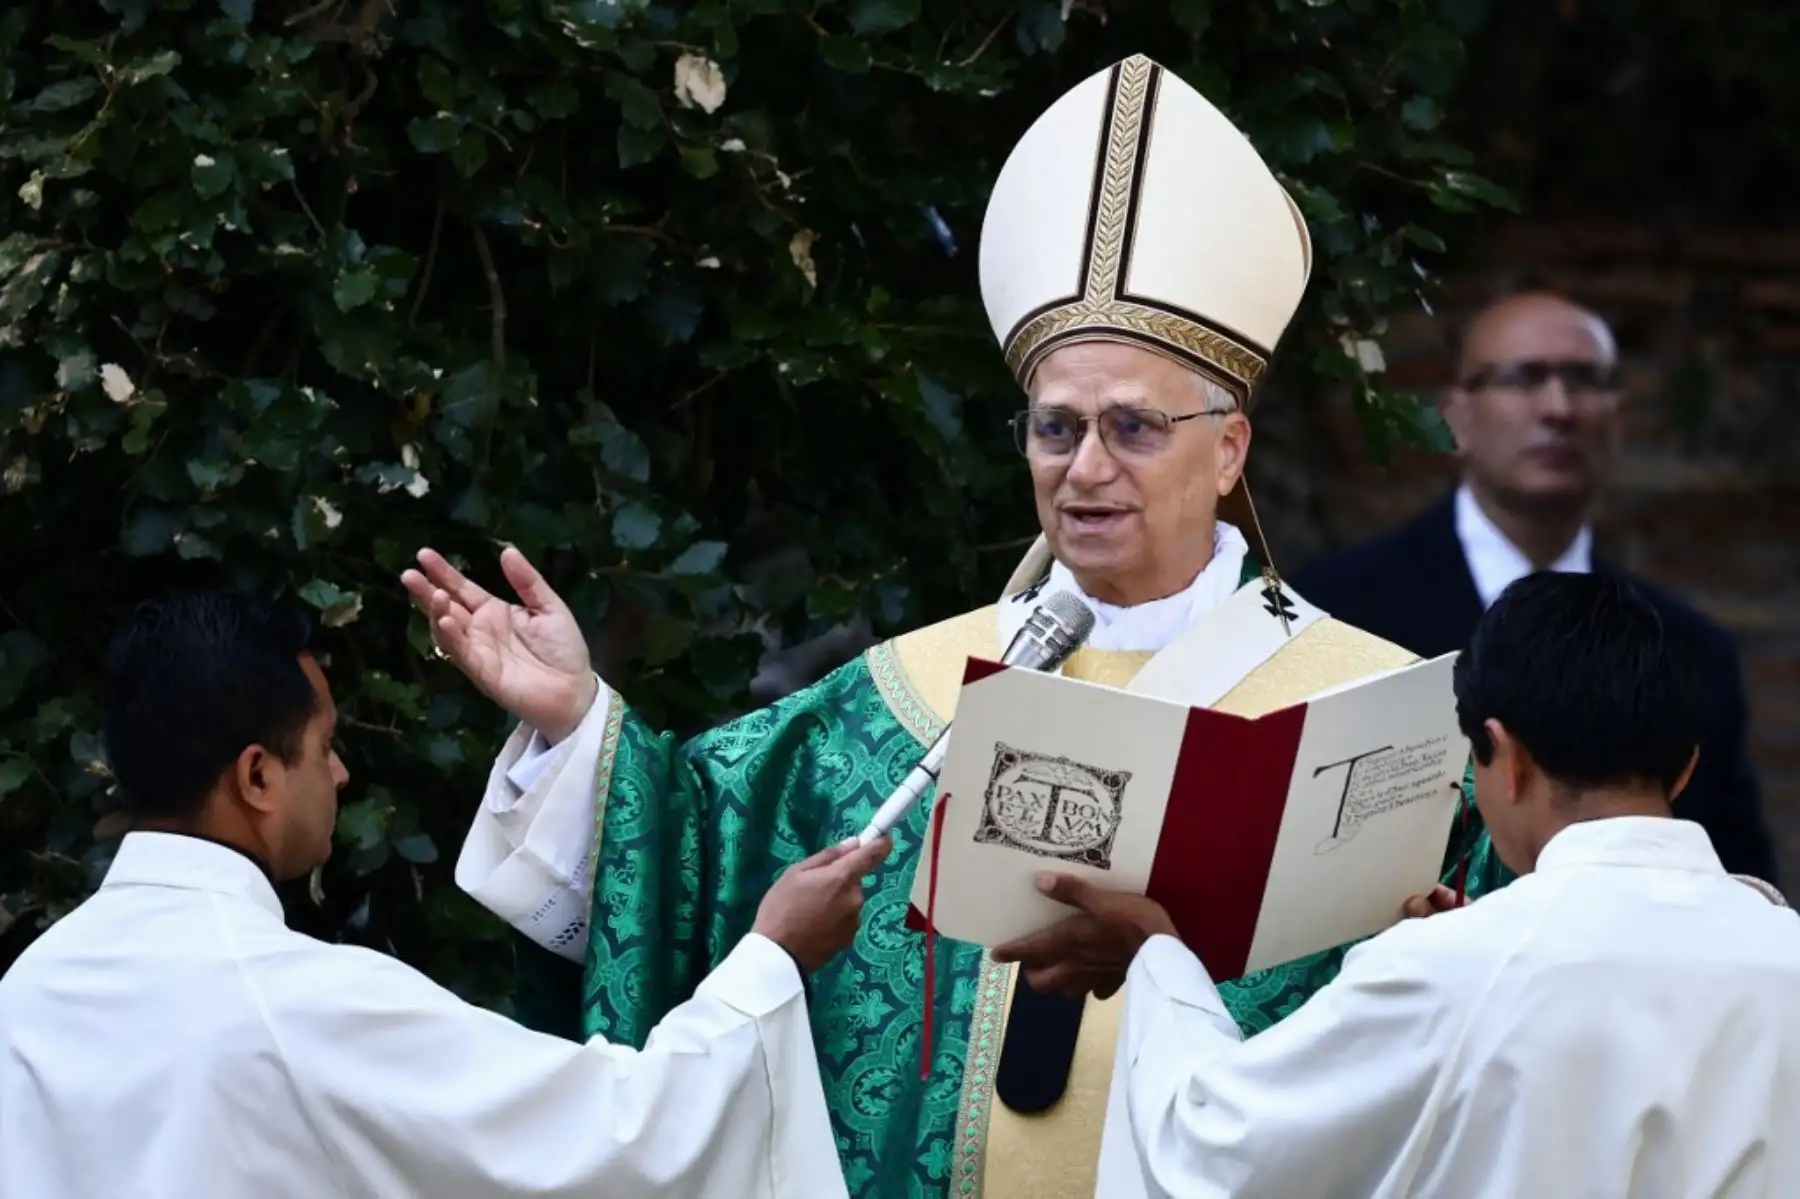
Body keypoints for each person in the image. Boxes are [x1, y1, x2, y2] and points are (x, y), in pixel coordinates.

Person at [410, 55, 1506, 1199]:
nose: (1085, 468)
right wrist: (578, 724)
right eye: (1054, 426)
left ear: (1227, 449)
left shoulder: (1381, 723)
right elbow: (687, 855)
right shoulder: (905, 699)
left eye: (1133, 427)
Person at [0, 592, 884, 1199]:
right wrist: (770, 959)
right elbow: (618, 1140)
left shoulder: (29, 990)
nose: (342, 773)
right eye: (325, 744)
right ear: (259, 776)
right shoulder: (289, 1001)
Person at [1066, 572, 1800, 1197]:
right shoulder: (1784, 948)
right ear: (1685, 767)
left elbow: (1209, 1146)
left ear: (1504, 759)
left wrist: (1157, 955)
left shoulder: (1457, 968)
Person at [1292, 289, 1778, 885]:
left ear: (1618, 415)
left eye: (1583, 379)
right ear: (1456, 415)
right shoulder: (1336, 611)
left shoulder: (1689, 648)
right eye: (1523, 378)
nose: (1558, 407)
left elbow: (1739, 877)